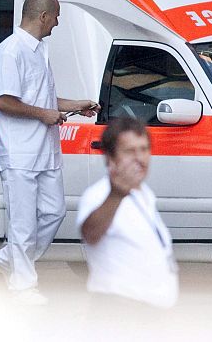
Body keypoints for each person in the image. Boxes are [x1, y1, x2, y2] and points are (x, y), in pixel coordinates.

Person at [0, 0, 99, 305]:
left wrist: (76, 105)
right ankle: (22, 286)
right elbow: (2, 100)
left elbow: (43, 97)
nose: (57, 22)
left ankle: (9, 260)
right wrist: (44, 114)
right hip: (19, 152)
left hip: (45, 150)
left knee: (54, 212)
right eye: (56, 16)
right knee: (23, 223)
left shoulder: (39, 50)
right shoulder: (11, 51)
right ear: (43, 16)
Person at [77, 116, 178, 310]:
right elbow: (90, 233)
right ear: (110, 157)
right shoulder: (99, 194)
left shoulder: (143, 192)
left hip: (150, 312)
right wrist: (116, 195)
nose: (140, 158)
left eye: (144, 149)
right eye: (130, 151)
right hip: (118, 311)